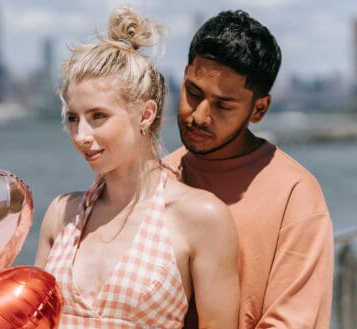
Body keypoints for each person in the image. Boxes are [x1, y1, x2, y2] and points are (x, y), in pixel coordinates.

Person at [34, 6, 239, 329]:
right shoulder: (61, 215)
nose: (81, 136)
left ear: (145, 115)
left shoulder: (201, 217)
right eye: (73, 118)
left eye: (98, 116)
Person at [162, 10, 334, 329]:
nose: (199, 115)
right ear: (184, 74)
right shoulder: (155, 179)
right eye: (193, 92)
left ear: (259, 109)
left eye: (223, 105)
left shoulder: (295, 194)